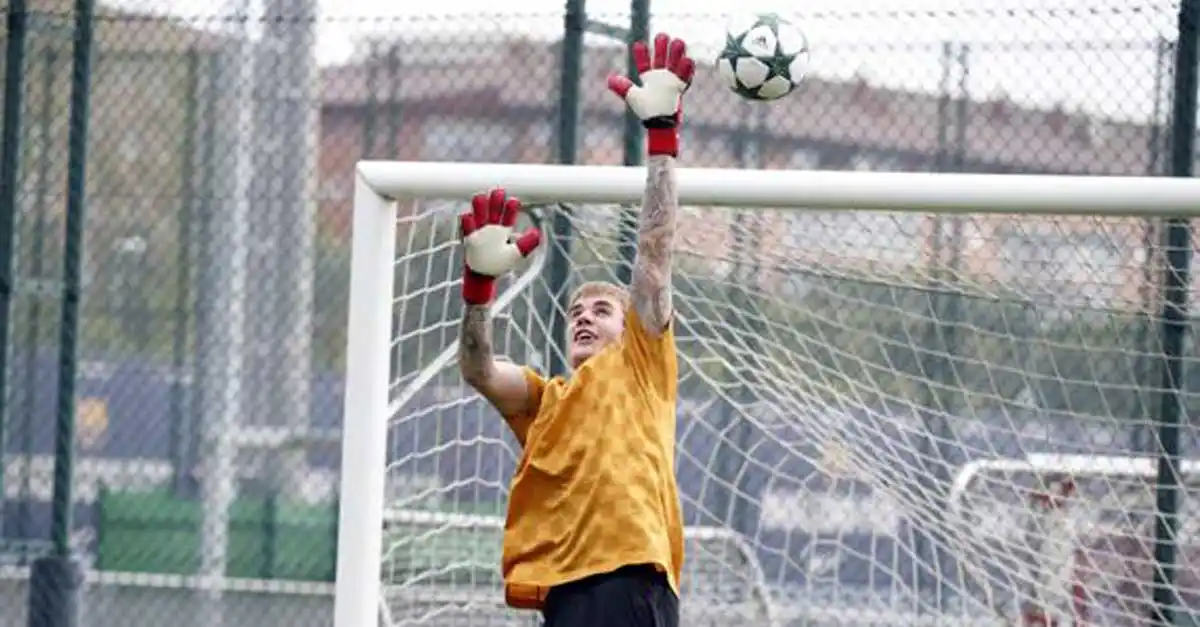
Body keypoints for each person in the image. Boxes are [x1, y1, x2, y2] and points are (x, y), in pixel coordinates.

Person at [454, 32, 696, 627]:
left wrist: (662, 139)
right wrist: (479, 290)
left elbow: (653, 256)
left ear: (630, 326)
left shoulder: (641, 364)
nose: (584, 316)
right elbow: (479, 370)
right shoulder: (547, 401)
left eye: (600, 310)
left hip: (632, 582)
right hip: (563, 595)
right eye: (575, 313)